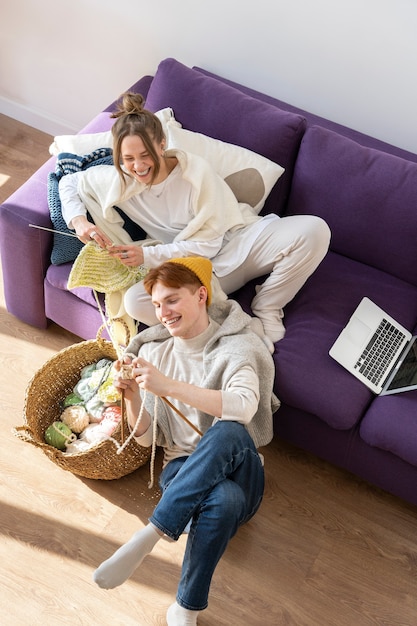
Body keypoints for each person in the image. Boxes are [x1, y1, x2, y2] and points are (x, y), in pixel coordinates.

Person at [59, 92, 331, 349]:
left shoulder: (195, 174)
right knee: (136, 301)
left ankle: (267, 305)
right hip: (193, 270)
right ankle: (229, 331)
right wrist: (79, 221)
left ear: (162, 144)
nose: (138, 166)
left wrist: (146, 255)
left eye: (145, 155)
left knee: (314, 230)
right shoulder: (120, 182)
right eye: (128, 158)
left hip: (241, 242)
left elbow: (208, 245)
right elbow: (69, 182)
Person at [92, 256, 279, 626]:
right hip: (181, 471)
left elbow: (242, 407)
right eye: (158, 305)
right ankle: (186, 608)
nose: (163, 313)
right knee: (223, 499)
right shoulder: (153, 352)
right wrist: (131, 394)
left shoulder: (237, 348)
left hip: (240, 470)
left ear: (201, 296)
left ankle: (153, 531)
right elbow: (145, 441)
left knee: (227, 430)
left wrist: (167, 386)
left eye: (172, 300)